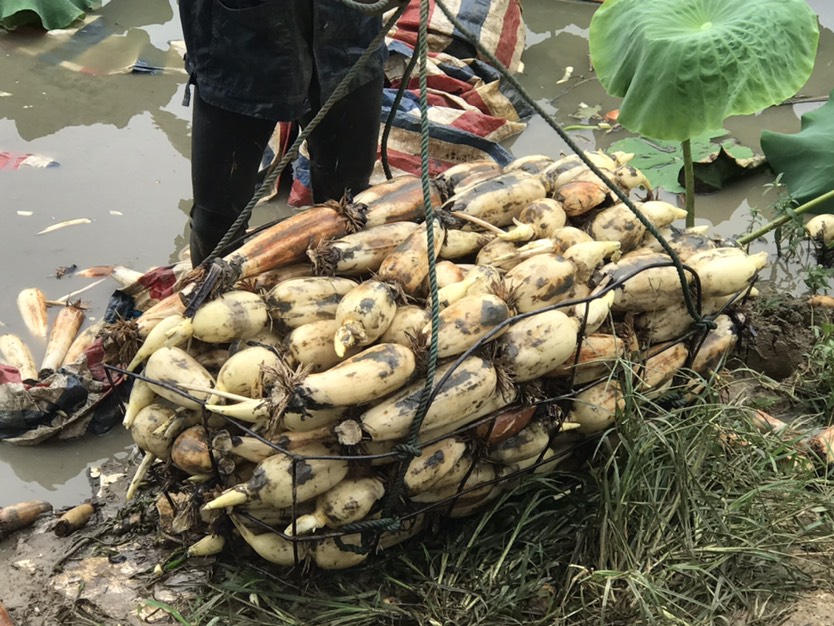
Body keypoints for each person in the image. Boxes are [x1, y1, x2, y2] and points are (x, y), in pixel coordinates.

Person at [177, 0, 389, 266]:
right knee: (218, 223)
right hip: (238, 36)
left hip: (348, 28)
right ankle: (208, 296)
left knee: (349, 201)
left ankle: (338, 290)